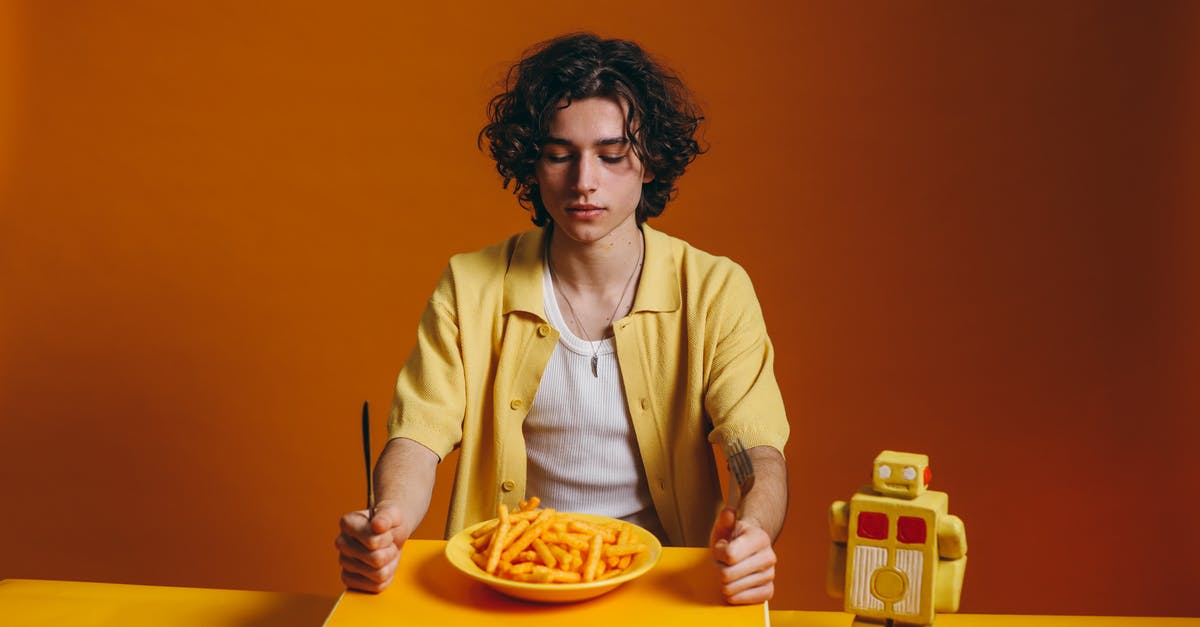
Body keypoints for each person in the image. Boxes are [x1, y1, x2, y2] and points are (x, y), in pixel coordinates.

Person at [335, 32, 790, 605]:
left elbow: (757, 451)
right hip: (511, 583)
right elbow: (418, 436)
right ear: (534, 161)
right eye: (559, 155)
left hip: (664, 589)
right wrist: (388, 524)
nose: (583, 182)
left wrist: (754, 530)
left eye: (611, 155)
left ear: (648, 163)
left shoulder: (715, 290)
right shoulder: (470, 284)